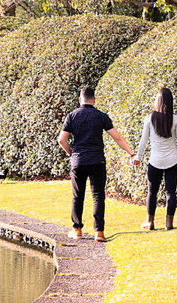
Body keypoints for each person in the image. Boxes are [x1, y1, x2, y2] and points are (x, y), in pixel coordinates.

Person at [58, 86, 137, 242]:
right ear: (94, 100)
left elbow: (62, 140)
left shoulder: (72, 116)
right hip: (97, 160)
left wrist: (72, 153)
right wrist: (131, 153)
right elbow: (118, 138)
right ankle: (99, 232)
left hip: (78, 161)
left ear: (80, 99)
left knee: (77, 196)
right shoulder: (101, 116)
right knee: (98, 196)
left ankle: (77, 229)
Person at [133, 87, 177, 231]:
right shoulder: (175, 119)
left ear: (157, 101)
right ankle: (169, 223)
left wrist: (138, 157)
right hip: (173, 160)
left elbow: (143, 141)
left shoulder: (149, 118)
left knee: (152, 192)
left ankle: (149, 222)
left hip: (155, 161)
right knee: (170, 192)